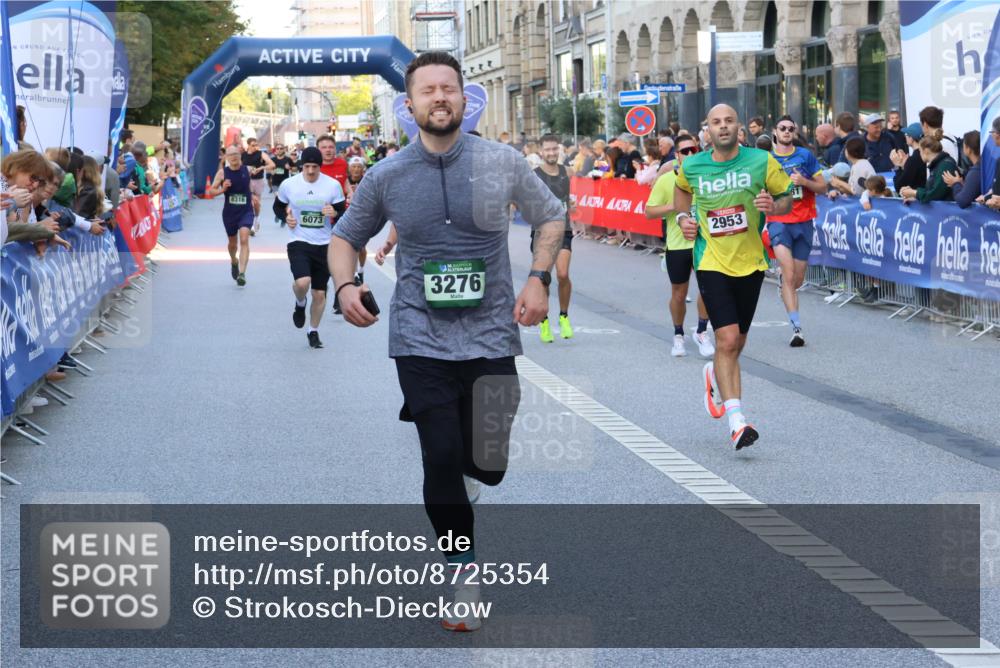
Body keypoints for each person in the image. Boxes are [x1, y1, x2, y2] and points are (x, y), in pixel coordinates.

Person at [329, 51, 565, 633]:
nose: (439, 97)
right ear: (409, 105)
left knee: (487, 463)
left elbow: (552, 216)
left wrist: (538, 278)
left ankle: (471, 482)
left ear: (464, 98)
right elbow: (344, 237)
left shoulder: (501, 161)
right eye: (427, 90)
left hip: (491, 331)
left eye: (449, 88)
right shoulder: (387, 175)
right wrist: (345, 285)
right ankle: (463, 578)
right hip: (419, 334)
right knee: (439, 455)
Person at [673, 104, 794, 450]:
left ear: (739, 127)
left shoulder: (761, 161)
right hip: (711, 260)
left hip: (751, 262)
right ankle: (737, 422)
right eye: (716, 122)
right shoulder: (693, 165)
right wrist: (683, 218)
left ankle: (714, 374)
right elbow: (681, 192)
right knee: (725, 340)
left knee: (737, 342)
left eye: (729, 121)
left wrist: (774, 206)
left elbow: (786, 197)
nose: (723, 126)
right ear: (708, 130)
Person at [644, 133, 714, 358]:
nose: (691, 154)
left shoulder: (708, 177)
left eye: (694, 150)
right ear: (677, 155)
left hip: (705, 243)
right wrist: (674, 206)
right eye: (686, 151)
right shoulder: (666, 180)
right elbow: (649, 212)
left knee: (709, 289)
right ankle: (678, 335)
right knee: (678, 293)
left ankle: (702, 331)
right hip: (678, 246)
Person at [274, 146, 346, 348]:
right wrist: (286, 217)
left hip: (325, 245)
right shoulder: (289, 184)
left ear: (320, 167)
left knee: (319, 294)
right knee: (302, 282)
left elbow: (342, 211)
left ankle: (313, 331)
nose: (311, 171)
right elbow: (278, 207)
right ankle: (300, 303)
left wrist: (334, 213)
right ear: (301, 166)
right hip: (299, 241)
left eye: (315, 167)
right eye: (307, 166)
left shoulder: (332, 186)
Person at [768, 115, 826, 346]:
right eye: (782, 128)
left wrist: (804, 182)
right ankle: (797, 328)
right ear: (775, 131)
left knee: (797, 279)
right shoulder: (767, 159)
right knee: (789, 273)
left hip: (803, 221)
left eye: (790, 129)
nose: (786, 132)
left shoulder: (805, 156)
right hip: (779, 220)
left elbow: (822, 187)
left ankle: (785, 285)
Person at [533, 134, 576, 343]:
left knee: (563, 274)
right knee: (544, 278)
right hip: (542, 232)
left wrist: (571, 204)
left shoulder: (568, 172)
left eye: (554, 149)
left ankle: (564, 316)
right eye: (547, 149)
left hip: (564, 229)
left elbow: (570, 198)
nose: (551, 153)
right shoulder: (533, 175)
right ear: (541, 151)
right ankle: (544, 320)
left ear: (558, 149)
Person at [208, 145, 257, 286]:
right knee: (232, 243)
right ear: (227, 158)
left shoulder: (247, 169)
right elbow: (211, 191)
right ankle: (234, 261)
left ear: (240, 155)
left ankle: (242, 273)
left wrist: (253, 195)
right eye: (230, 155)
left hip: (246, 211)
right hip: (230, 213)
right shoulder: (222, 173)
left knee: (244, 239)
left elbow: (257, 174)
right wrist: (222, 189)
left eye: (236, 154)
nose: (234, 157)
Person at [898, 137, 957, 203]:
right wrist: (916, 197)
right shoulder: (938, 165)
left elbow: (936, 194)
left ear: (926, 151)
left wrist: (914, 192)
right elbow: (931, 191)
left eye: (920, 151)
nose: (919, 154)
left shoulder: (945, 165)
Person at [242, 138, 274, 235]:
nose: (255, 147)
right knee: (249, 203)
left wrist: (261, 168)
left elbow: (272, 165)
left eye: (256, 145)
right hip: (247, 181)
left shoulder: (261, 154)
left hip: (258, 181)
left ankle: (256, 218)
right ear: (248, 145)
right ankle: (251, 225)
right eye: (253, 145)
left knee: (256, 203)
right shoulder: (243, 155)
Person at [942, 130, 981, 208]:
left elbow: (962, 201)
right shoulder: (983, 167)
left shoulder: (975, 172)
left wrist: (955, 183)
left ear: (968, 149)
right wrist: (961, 184)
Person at [889, 123, 927, 192]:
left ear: (911, 138)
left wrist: (898, 166)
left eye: (906, 134)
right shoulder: (926, 154)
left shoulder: (914, 159)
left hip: (917, 197)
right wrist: (904, 166)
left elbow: (899, 187)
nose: (905, 136)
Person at [269, 144, 294, 223]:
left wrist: (289, 168)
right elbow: (269, 169)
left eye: (281, 148)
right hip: (275, 183)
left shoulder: (288, 159)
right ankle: (279, 213)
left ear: (283, 149)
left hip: (285, 183)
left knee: (285, 200)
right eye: (278, 148)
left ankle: (283, 215)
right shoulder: (272, 160)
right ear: (275, 150)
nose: (279, 150)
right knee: (277, 197)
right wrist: (271, 171)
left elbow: (294, 168)